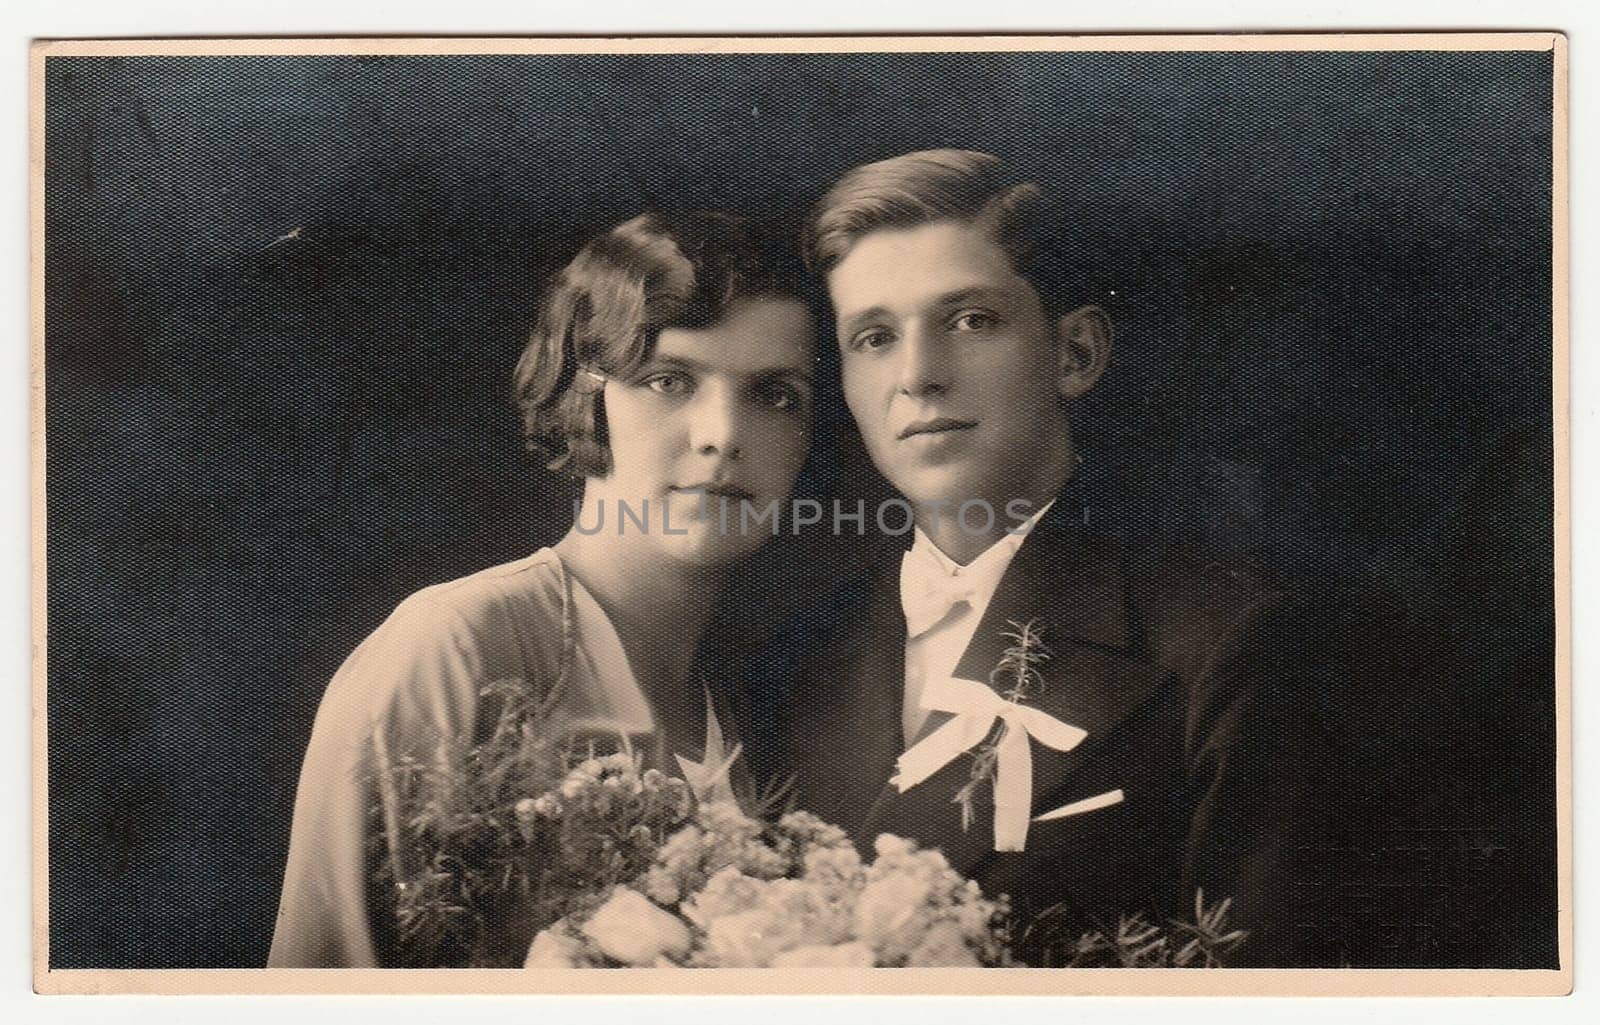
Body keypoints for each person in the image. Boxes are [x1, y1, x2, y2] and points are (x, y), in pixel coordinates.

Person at [760, 149, 1310, 965]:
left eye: (970, 320)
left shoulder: (1229, 644)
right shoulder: (786, 661)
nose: (918, 377)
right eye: (874, 337)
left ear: (1075, 352)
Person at [268, 211, 817, 968]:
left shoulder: (747, 707)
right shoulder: (459, 647)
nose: (723, 432)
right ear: (587, 398)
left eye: (776, 395)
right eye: (669, 380)